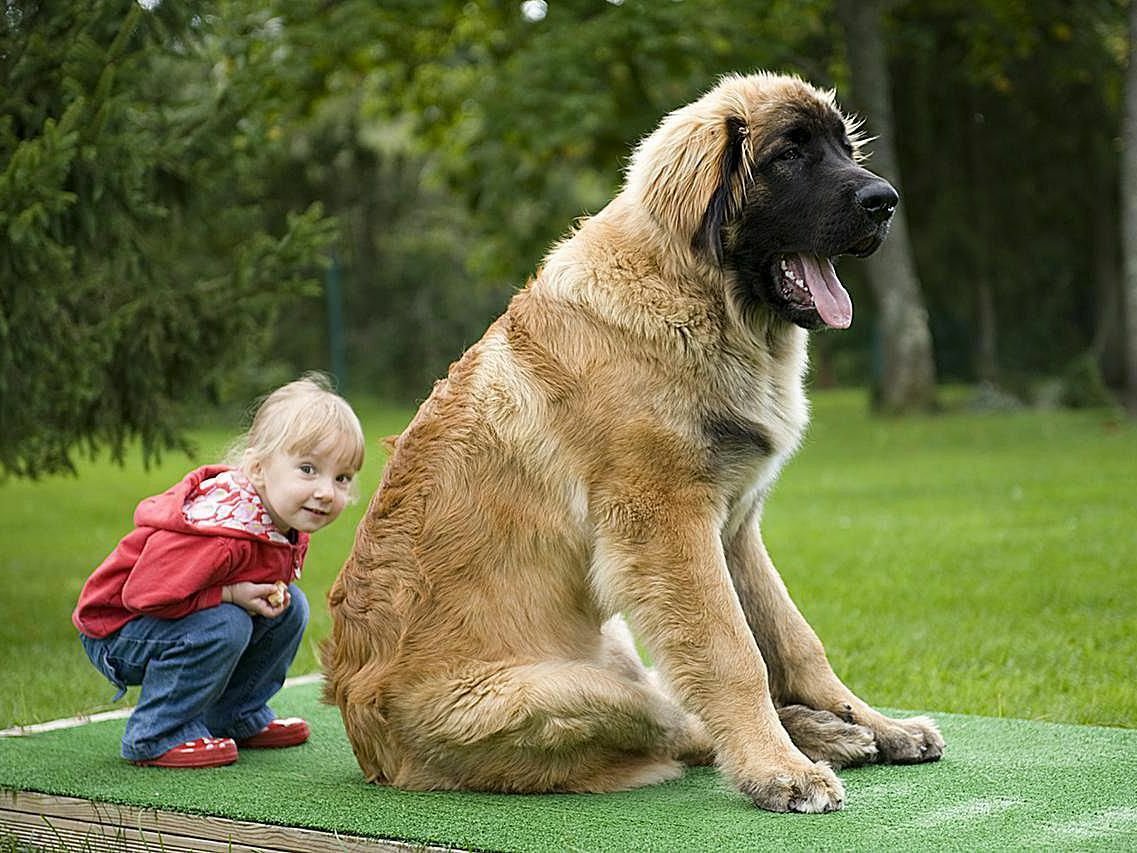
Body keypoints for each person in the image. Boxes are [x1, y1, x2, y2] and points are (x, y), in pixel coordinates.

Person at [72, 374, 365, 768]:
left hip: (172, 620)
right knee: (227, 623)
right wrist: (229, 595)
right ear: (259, 469)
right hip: (119, 631)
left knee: (291, 606)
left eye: (341, 477)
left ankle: (235, 715)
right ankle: (156, 734)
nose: (327, 491)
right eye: (308, 469)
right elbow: (144, 594)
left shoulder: (281, 522)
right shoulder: (223, 532)